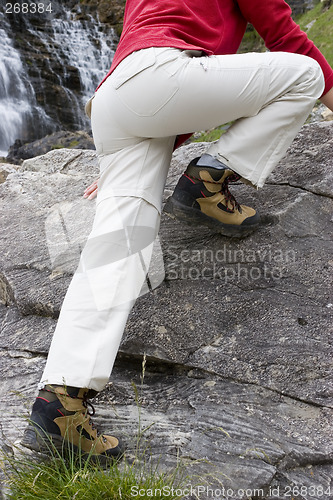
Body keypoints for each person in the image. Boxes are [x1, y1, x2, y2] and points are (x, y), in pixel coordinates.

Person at [21, 0, 333, 462]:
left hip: (116, 101)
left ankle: (60, 401)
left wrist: (117, 151)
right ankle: (209, 180)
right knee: (304, 73)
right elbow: (285, 37)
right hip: (160, 81)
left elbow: (149, 75)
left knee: (118, 250)